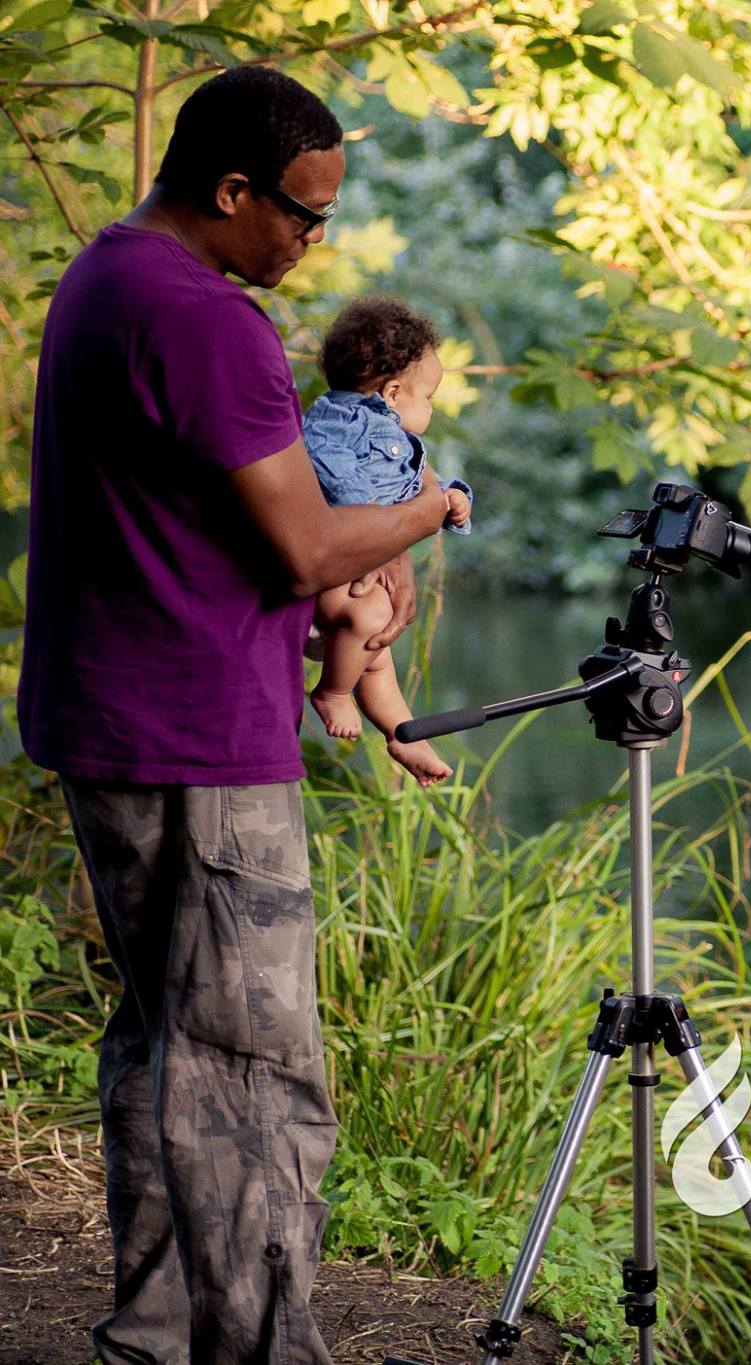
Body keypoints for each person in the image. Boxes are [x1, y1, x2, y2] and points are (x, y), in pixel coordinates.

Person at [17, 66, 447, 1364]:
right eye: (305, 215)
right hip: (200, 742)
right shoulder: (209, 321)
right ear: (230, 190)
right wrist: (425, 512)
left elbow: (197, 523)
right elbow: (308, 547)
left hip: (111, 718)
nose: (315, 242)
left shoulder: (104, 276)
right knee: (257, 1075)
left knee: (168, 1046)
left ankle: (153, 1339)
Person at [302, 295, 474, 786]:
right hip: (340, 567)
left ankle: (403, 735)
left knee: (378, 660)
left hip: (364, 563)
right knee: (373, 617)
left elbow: (408, 486)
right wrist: (374, 525)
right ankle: (332, 692)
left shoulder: (388, 435)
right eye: (430, 397)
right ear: (394, 392)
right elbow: (328, 465)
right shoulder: (338, 420)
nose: (431, 407)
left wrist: (453, 498)